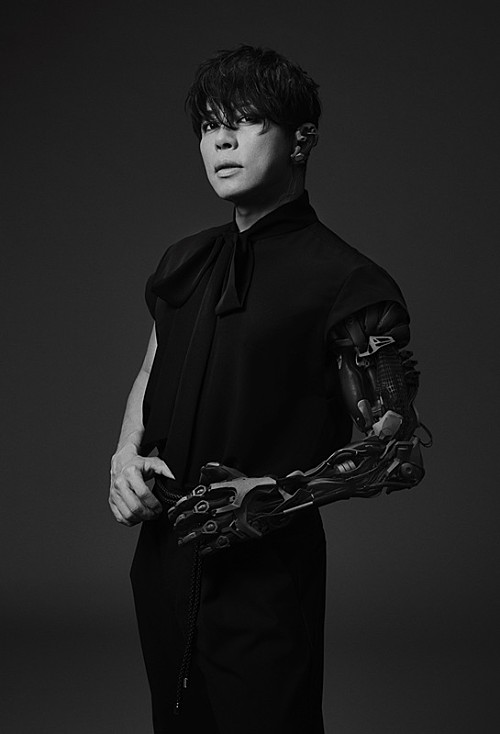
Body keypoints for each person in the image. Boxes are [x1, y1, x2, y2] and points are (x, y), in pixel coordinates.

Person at [109, 45, 424, 734]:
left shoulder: (348, 283)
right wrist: (125, 455)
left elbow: (396, 453)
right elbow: (150, 369)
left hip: (265, 576)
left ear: (300, 140)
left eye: (245, 121)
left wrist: (274, 497)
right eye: (208, 125)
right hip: (163, 564)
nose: (220, 141)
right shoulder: (183, 261)